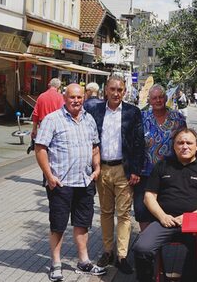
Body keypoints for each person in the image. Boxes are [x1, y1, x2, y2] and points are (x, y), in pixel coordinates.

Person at [34, 83, 106, 281]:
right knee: (58, 225)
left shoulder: (89, 119)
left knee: (82, 224)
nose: (76, 100)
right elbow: (40, 149)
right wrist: (49, 175)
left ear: (84, 97)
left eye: (79, 97)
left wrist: (97, 168)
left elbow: (95, 147)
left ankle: (84, 262)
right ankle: (56, 264)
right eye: (72, 97)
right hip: (61, 183)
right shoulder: (52, 120)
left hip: (84, 181)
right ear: (64, 98)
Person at [132, 128, 197, 282]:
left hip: (195, 223)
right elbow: (149, 196)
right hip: (164, 222)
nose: (185, 146)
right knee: (141, 248)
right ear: (174, 146)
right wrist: (162, 216)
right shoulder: (162, 165)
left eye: (189, 143)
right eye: (180, 143)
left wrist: (191, 218)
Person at [85, 74, 145, 274]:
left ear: (124, 91)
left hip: (124, 169)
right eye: (113, 89)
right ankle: (107, 251)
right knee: (106, 212)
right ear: (106, 91)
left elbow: (138, 142)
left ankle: (122, 255)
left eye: (120, 90)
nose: (116, 93)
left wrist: (136, 169)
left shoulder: (132, 112)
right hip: (102, 169)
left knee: (124, 214)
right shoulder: (94, 110)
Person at [136, 84, 186, 231]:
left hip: (170, 172)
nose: (158, 100)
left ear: (165, 98)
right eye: (154, 98)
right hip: (145, 173)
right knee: (142, 210)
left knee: (167, 209)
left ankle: (165, 241)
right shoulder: (142, 117)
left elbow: (185, 142)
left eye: (160, 97)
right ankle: (149, 248)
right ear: (149, 100)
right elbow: (134, 143)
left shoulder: (178, 118)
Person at [28, 78, 65, 154]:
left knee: (43, 148)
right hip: (56, 126)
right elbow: (63, 113)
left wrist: (34, 129)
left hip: (43, 126)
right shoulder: (60, 97)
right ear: (58, 87)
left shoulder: (41, 96)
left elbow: (35, 114)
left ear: (49, 85)